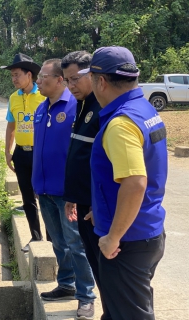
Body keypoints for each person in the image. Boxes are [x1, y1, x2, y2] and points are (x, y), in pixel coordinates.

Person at [80, 46, 167, 320]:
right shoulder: (144, 109)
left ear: (101, 82)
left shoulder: (121, 124)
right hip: (146, 231)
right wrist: (104, 208)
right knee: (121, 310)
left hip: (127, 242)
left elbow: (135, 183)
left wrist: (112, 236)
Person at [32, 59, 96, 320]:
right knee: (57, 240)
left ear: (60, 80)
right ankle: (66, 283)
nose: (38, 81)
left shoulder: (75, 108)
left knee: (76, 243)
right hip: (44, 188)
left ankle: (86, 296)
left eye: (42, 77)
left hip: (67, 192)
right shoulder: (40, 109)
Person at [61, 51, 110, 319]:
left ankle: (108, 310)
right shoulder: (81, 105)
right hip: (82, 201)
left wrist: (98, 204)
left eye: (75, 79)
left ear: (92, 74)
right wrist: (72, 196)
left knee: (107, 269)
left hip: (97, 208)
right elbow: (79, 155)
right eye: (67, 80)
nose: (71, 86)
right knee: (95, 261)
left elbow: (110, 167)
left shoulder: (102, 109)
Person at [0, 53, 46, 252]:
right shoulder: (13, 98)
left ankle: (54, 240)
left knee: (46, 196)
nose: (14, 79)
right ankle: (36, 237)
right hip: (21, 153)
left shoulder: (44, 95)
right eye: (12, 76)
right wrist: (8, 152)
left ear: (30, 75)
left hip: (41, 154)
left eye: (17, 75)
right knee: (27, 198)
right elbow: (11, 126)